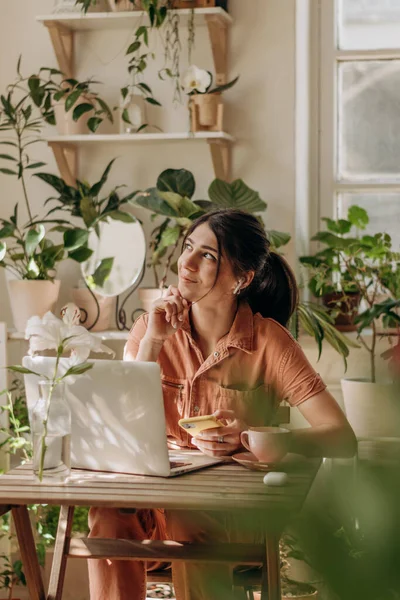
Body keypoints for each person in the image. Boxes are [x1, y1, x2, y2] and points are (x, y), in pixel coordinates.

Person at [88, 208, 357, 600]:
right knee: (108, 515)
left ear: (242, 278)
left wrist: (265, 440)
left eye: (209, 256)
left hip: (231, 521)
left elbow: (342, 438)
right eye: (189, 247)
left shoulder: (270, 342)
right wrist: (153, 343)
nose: (187, 263)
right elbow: (121, 426)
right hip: (156, 518)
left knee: (188, 511)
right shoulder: (151, 328)